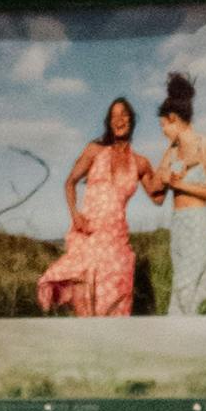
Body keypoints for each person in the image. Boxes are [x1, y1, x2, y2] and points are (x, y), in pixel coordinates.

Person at [41, 93, 149, 322]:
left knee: (118, 301)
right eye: (114, 116)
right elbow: (69, 183)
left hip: (117, 240)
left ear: (131, 120)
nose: (119, 120)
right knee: (87, 301)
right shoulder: (95, 150)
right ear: (109, 123)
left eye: (124, 114)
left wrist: (174, 169)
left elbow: (158, 193)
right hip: (90, 234)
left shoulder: (139, 162)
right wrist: (75, 215)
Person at [143, 76, 206, 322]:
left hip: (198, 224)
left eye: (163, 125)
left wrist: (180, 183)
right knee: (189, 295)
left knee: (186, 294)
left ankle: (181, 346)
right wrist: (146, 171)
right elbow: (155, 193)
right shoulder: (171, 151)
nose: (163, 132)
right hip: (178, 226)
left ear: (173, 119)